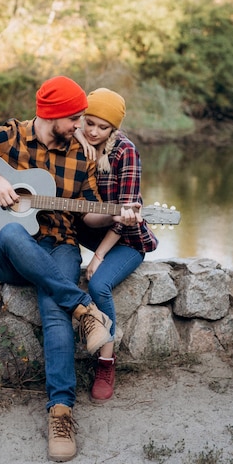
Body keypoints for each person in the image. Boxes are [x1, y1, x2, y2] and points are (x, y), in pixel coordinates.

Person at [0, 76, 138, 463]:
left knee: (54, 312)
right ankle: (87, 310)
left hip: (60, 245)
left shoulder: (81, 155)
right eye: (75, 117)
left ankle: (61, 411)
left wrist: (114, 215)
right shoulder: (10, 137)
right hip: (11, 253)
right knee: (10, 230)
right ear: (54, 114)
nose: (81, 126)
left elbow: (91, 213)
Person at [75, 88, 158, 404]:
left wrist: (98, 256)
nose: (94, 132)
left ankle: (106, 364)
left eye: (102, 127)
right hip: (90, 226)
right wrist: (80, 139)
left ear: (114, 128)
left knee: (98, 284)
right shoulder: (78, 141)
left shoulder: (126, 153)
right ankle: (10, 257)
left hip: (125, 239)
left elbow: (125, 216)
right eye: (89, 123)